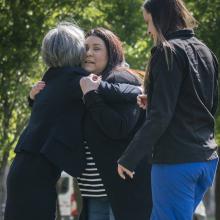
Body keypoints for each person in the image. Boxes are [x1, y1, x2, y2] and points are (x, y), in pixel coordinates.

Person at [30, 27, 152, 220]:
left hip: (121, 191)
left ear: (111, 52)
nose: (88, 53)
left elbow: (119, 128)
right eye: (85, 47)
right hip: (94, 192)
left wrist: (92, 96)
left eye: (96, 48)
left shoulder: (120, 78)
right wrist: (33, 98)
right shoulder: (84, 83)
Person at [117, 0, 219, 220]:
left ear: (160, 18)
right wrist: (153, 100)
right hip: (206, 160)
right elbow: (207, 106)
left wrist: (128, 158)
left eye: (149, 22)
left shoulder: (167, 51)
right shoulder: (206, 52)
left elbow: (161, 116)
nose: (148, 30)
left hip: (176, 162)